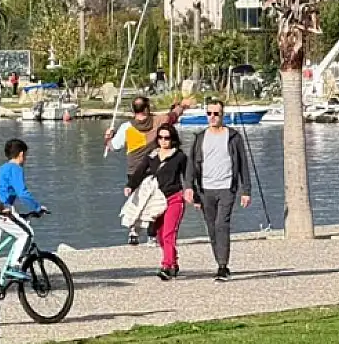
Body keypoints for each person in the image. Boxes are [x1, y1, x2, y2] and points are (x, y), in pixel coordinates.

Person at [186, 99, 253, 281]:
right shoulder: (200, 138)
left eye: (216, 114)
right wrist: (189, 187)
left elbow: (243, 165)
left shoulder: (233, 137)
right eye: (209, 114)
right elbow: (192, 164)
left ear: (222, 115)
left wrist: (246, 190)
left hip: (226, 188)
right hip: (205, 190)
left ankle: (223, 266)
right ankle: (219, 262)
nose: (213, 117)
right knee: (212, 227)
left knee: (221, 224)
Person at [107, 96, 189, 244]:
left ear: (133, 110)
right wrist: (182, 106)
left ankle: (133, 231)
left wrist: (108, 138)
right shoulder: (159, 121)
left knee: (136, 200)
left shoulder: (127, 127)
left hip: (134, 171)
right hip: (156, 168)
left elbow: (114, 146)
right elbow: (173, 116)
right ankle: (152, 234)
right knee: (155, 200)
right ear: (147, 108)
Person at [128, 123, 189, 280]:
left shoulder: (180, 157)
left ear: (173, 139)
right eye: (160, 137)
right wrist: (130, 186)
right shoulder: (152, 156)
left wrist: (192, 193)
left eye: (167, 138)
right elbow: (140, 171)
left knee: (169, 233)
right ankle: (174, 263)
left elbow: (188, 176)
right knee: (161, 236)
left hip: (174, 198)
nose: (163, 141)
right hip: (156, 201)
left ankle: (166, 266)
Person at [0, 139, 47, 279]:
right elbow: (22, 193)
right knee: (27, 234)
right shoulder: (15, 168)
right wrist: (37, 207)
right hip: (0, 211)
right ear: (21, 154)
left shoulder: (1, 168)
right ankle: (14, 265)